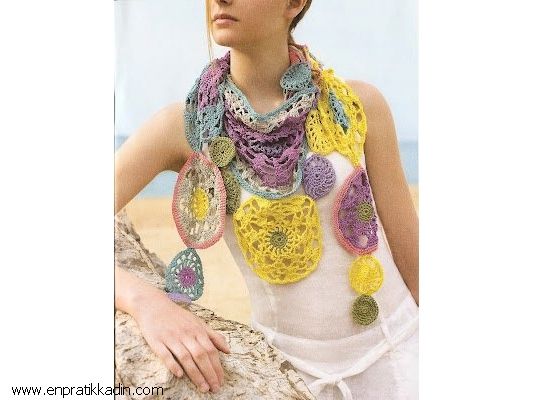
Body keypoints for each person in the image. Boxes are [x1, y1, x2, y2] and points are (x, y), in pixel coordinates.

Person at [114, 0, 419, 398]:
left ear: (294, 3)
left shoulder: (358, 106)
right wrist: (145, 302)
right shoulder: (184, 127)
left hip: (402, 363)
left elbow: (417, 270)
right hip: (285, 380)